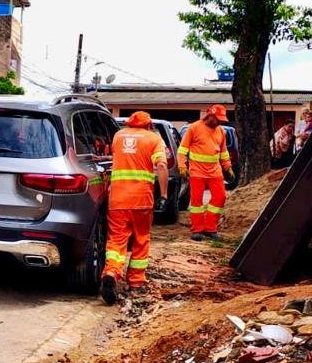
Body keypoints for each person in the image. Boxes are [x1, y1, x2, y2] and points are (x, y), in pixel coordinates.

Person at [100, 110, 168, 305]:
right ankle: (136, 282)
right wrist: (163, 195)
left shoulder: (118, 136)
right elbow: (162, 166)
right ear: (148, 125)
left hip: (118, 199)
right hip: (141, 200)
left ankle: (112, 272)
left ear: (129, 123)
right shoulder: (153, 139)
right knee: (140, 238)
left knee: (117, 240)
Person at [178, 104, 234, 241]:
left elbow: (223, 151)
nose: (220, 122)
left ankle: (210, 228)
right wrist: (182, 166)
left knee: (220, 197)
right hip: (197, 171)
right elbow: (182, 149)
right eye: (218, 119)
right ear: (210, 116)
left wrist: (228, 167)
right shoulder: (194, 128)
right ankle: (197, 230)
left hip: (215, 171)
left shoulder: (221, 131)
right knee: (196, 202)